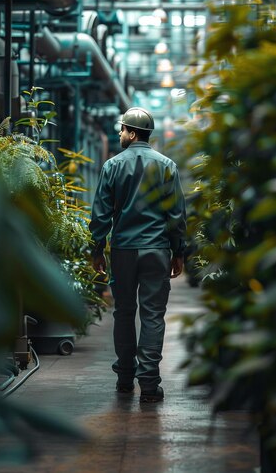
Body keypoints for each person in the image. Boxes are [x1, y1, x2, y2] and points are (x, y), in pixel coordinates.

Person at [89, 107, 186, 403]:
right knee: (153, 315)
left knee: (124, 312)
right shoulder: (167, 166)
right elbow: (176, 214)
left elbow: (101, 214)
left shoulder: (112, 166)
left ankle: (124, 379)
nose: (119, 134)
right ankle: (148, 384)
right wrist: (178, 251)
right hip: (156, 249)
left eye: (122, 130)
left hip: (123, 250)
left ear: (132, 133)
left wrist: (96, 249)